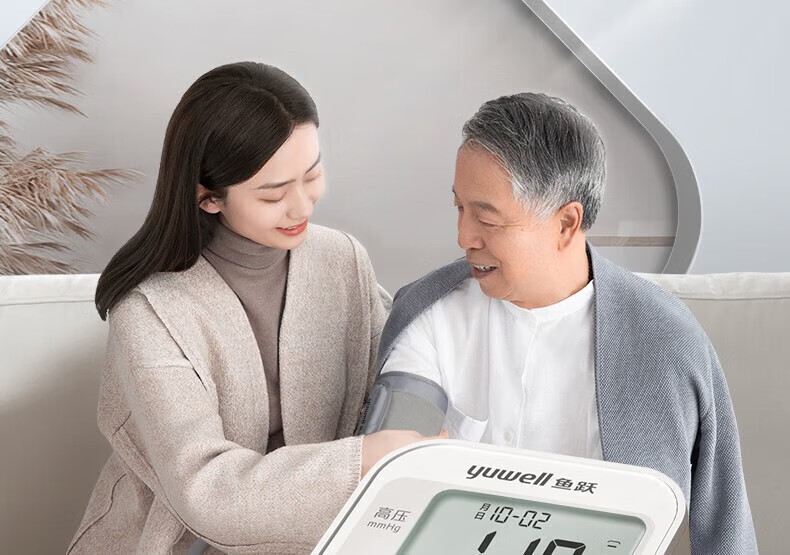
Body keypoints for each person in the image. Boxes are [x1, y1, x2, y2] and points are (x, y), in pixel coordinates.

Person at [68, 62, 442, 555]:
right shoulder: (150, 311)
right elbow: (205, 493)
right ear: (208, 198)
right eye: (273, 194)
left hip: (323, 538)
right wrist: (364, 461)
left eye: (312, 175)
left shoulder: (340, 259)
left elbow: (396, 373)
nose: (302, 206)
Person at [375, 92, 757, 553]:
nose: (464, 237)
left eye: (487, 220)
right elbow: (386, 479)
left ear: (565, 224)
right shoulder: (428, 317)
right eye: (459, 208)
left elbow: (723, 523)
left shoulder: (664, 342)